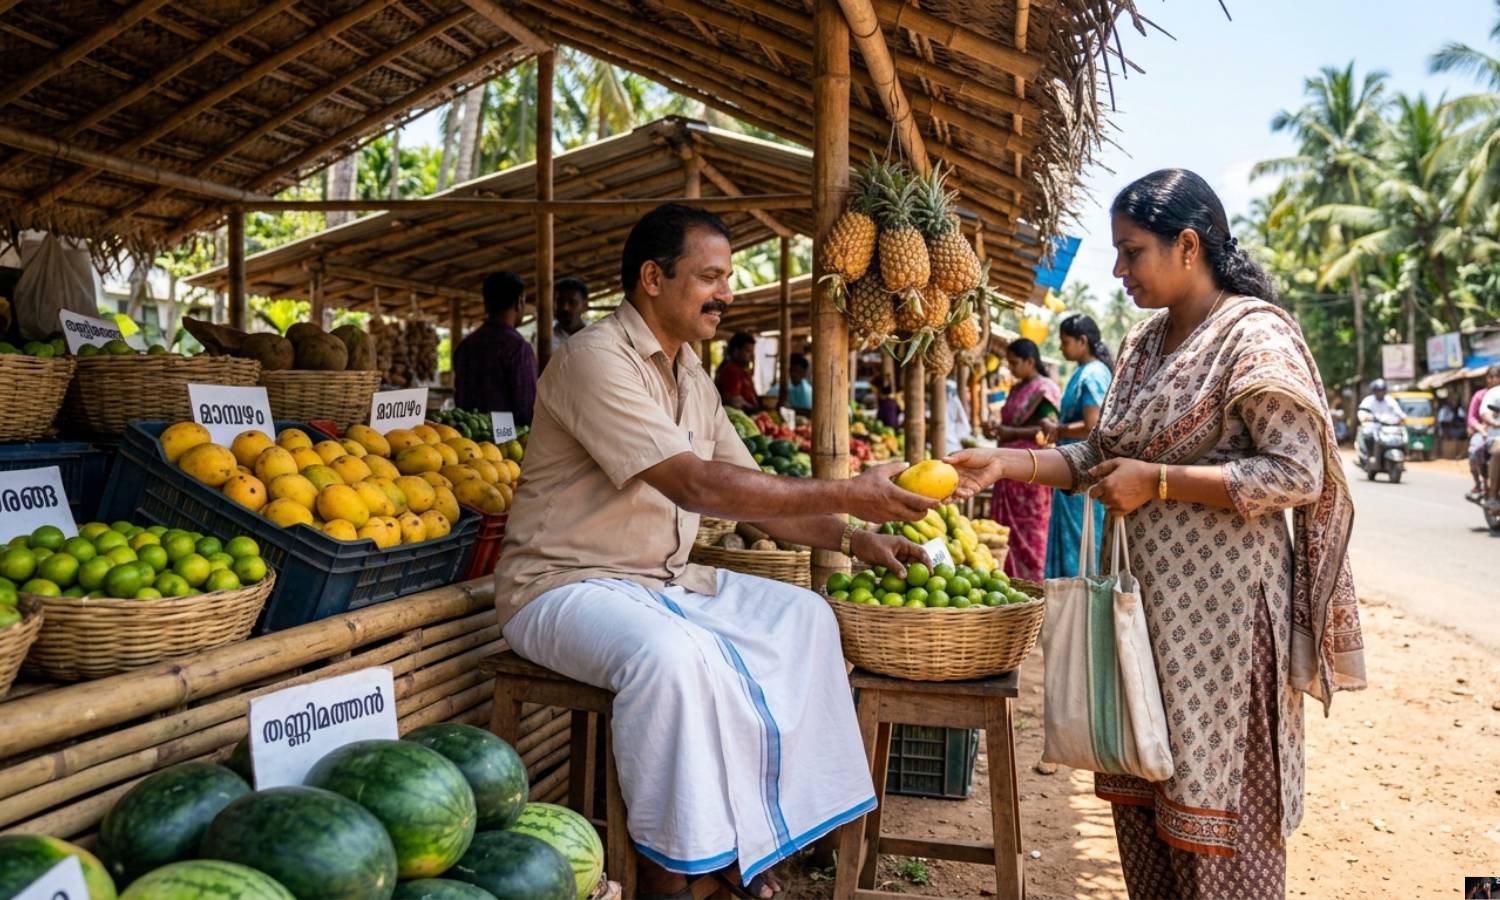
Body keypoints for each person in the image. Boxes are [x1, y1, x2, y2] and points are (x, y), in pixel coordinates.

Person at [493, 204, 937, 900]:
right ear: (652, 278)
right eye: (711, 277)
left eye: (727, 277)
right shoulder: (594, 358)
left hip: (655, 585)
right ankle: (672, 872)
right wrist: (853, 488)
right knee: (672, 660)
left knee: (807, 619)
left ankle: (750, 841)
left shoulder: (691, 373)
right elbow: (697, 484)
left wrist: (855, 534)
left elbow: (753, 494)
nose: (727, 293)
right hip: (560, 589)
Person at [944, 169, 1365, 899]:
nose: (1118, 269)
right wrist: (1006, 462)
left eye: (1131, 251)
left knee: (1220, 831)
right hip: (1141, 624)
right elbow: (1101, 457)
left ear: (1189, 246)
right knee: (1147, 818)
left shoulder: (1253, 336)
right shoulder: (1142, 344)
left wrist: (1161, 482)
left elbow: (1297, 474)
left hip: (1227, 637)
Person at [1042, 313, 1113, 578]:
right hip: (1071, 467)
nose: (1061, 347)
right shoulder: (1086, 372)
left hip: (1082, 470)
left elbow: (1092, 424)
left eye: (1064, 341)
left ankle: (1077, 602)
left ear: (1082, 341)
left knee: (1079, 539)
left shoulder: (1092, 375)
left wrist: (1058, 429)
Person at [981, 338, 1059, 580]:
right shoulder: (1016, 388)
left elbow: (1050, 429)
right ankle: (1007, 582)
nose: (1011, 369)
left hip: (1031, 472)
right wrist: (995, 429)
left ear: (1030, 361)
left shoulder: (1044, 390)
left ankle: (1033, 584)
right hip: (1007, 472)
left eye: (1015, 363)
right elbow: (1009, 423)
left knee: (1030, 531)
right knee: (1005, 535)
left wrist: (1012, 433)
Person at [453, 272, 537, 425]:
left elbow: (461, 403)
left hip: (468, 440)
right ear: (519, 302)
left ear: (486, 303)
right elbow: (527, 409)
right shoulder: (517, 348)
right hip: (509, 441)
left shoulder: (465, 346)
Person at [1467, 365, 1500, 501]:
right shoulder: (1488, 395)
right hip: (1488, 432)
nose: (1494, 380)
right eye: (1491, 377)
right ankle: (1482, 485)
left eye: (1497, 376)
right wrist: (1483, 426)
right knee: (1475, 451)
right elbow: (1476, 415)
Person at [1356, 378, 1405, 463]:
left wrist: (1403, 418)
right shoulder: (1368, 400)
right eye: (1378, 391)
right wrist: (1366, 417)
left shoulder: (1390, 400)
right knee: (1364, 434)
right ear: (1374, 391)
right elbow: (1361, 413)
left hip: (1388, 428)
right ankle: (1366, 457)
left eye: (1382, 390)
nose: (1380, 393)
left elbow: (1400, 413)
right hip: (1373, 427)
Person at [716, 331, 760, 412]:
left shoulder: (742, 370)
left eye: (752, 352)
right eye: (748, 351)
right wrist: (755, 409)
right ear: (736, 351)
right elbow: (734, 401)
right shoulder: (732, 370)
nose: (751, 356)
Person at [550, 277, 590, 349]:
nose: (565, 308)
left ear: (584, 306)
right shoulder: (546, 339)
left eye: (572, 303)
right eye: (560, 302)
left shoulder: (596, 335)